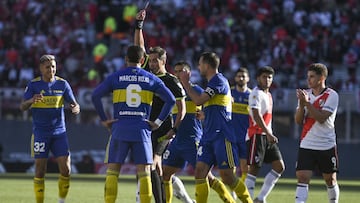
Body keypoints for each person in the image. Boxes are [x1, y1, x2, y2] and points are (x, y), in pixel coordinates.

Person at [91, 45, 176, 203]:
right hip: (142, 130)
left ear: (126, 59)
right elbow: (170, 100)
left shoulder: (116, 76)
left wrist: (104, 119)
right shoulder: (151, 78)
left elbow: (95, 95)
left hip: (120, 128)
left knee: (113, 171)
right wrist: (157, 122)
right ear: (143, 60)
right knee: (144, 173)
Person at [179, 52, 252, 203]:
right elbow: (219, 108)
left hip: (222, 136)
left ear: (206, 65)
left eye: (200, 64)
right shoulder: (212, 84)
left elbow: (198, 100)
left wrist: (185, 82)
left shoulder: (218, 80)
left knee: (228, 177)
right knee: (200, 173)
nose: (198, 67)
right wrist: (205, 115)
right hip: (208, 137)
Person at [163, 61, 236, 203]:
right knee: (165, 175)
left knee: (207, 178)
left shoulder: (194, 90)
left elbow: (220, 100)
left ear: (188, 74)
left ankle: (229, 201)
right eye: (176, 71)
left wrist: (205, 112)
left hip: (193, 141)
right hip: (177, 142)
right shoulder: (173, 92)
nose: (178, 74)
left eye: (181, 71)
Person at [135, 9, 187, 203]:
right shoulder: (148, 75)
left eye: (156, 60)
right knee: (154, 168)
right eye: (151, 60)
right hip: (148, 127)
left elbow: (181, 109)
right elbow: (139, 46)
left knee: (154, 163)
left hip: (164, 129)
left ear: (164, 61)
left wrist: (174, 129)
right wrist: (139, 25)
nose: (153, 63)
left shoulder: (171, 81)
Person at [19, 54, 80, 203]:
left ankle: (61, 201)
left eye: (53, 66)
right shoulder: (33, 85)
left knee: (66, 170)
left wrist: (75, 108)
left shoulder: (63, 84)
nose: (51, 69)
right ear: (41, 68)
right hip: (41, 134)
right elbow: (22, 107)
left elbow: (75, 104)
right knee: (40, 171)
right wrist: (31, 100)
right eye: (48, 67)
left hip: (60, 133)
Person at [294, 63, 340, 203]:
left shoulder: (332, 95)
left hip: (326, 144)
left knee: (330, 179)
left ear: (321, 78)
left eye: (312, 77)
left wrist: (307, 104)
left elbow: (321, 118)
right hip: (307, 143)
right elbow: (298, 120)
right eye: (308, 77)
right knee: (302, 177)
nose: (308, 80)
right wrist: (302, 105)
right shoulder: (305, 95)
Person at [245, 66, 285, 203]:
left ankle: (261, 197)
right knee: (254, 170)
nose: (267, 80)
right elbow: (256, 115)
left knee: (279, 166)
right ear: (258, 78)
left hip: (267, 135)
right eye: (264, 77)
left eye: (269, 77)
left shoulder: (268, 94)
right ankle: (248, 200)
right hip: (257, 135)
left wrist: (268, 133)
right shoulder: (255, 93)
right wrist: (268, 133)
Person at [231, 67, 251, 199]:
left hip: (246, 137)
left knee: (245, 168)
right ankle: (233, 192)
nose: (241, 78)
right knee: (231, 167)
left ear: (248, 78)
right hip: (231, 136)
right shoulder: (229, 94)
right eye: (239, 76)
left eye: (243, 76)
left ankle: (240, 191)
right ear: (235, 78)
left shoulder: (252, 95)